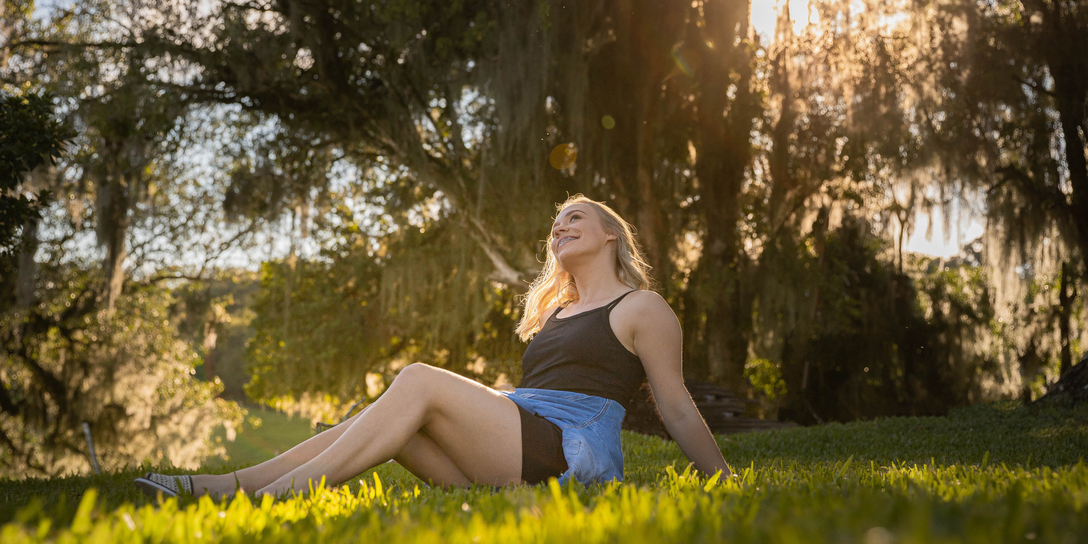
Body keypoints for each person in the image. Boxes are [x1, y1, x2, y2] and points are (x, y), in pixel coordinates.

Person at [134, 194, 732, 499]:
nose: (560, 229)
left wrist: (723, 481)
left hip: (570, 458)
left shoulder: (641, 308)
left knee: (417, 378)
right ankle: (228, 486)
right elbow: (528, 399)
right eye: (555, 225)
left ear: (610, 234)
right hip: (516, 450)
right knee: (389, 420)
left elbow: (675, 404)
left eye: (574, 219)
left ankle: (267, 497)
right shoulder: (556, 311)